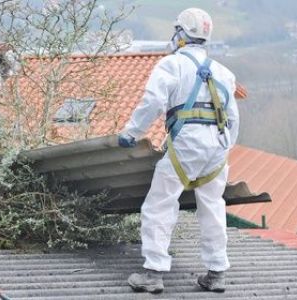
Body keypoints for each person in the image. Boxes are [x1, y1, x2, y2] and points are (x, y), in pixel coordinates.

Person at [118, 8, 239, 294]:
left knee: (160, 204)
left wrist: (131, 133)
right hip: (217, 149)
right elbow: (233, 119)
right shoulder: (224, 72)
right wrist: (225, 147)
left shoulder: (170, 65)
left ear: (181, 34)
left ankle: (154, 272)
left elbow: (153, 102)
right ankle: (216, 272)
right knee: (212, 207)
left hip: (187, 144)